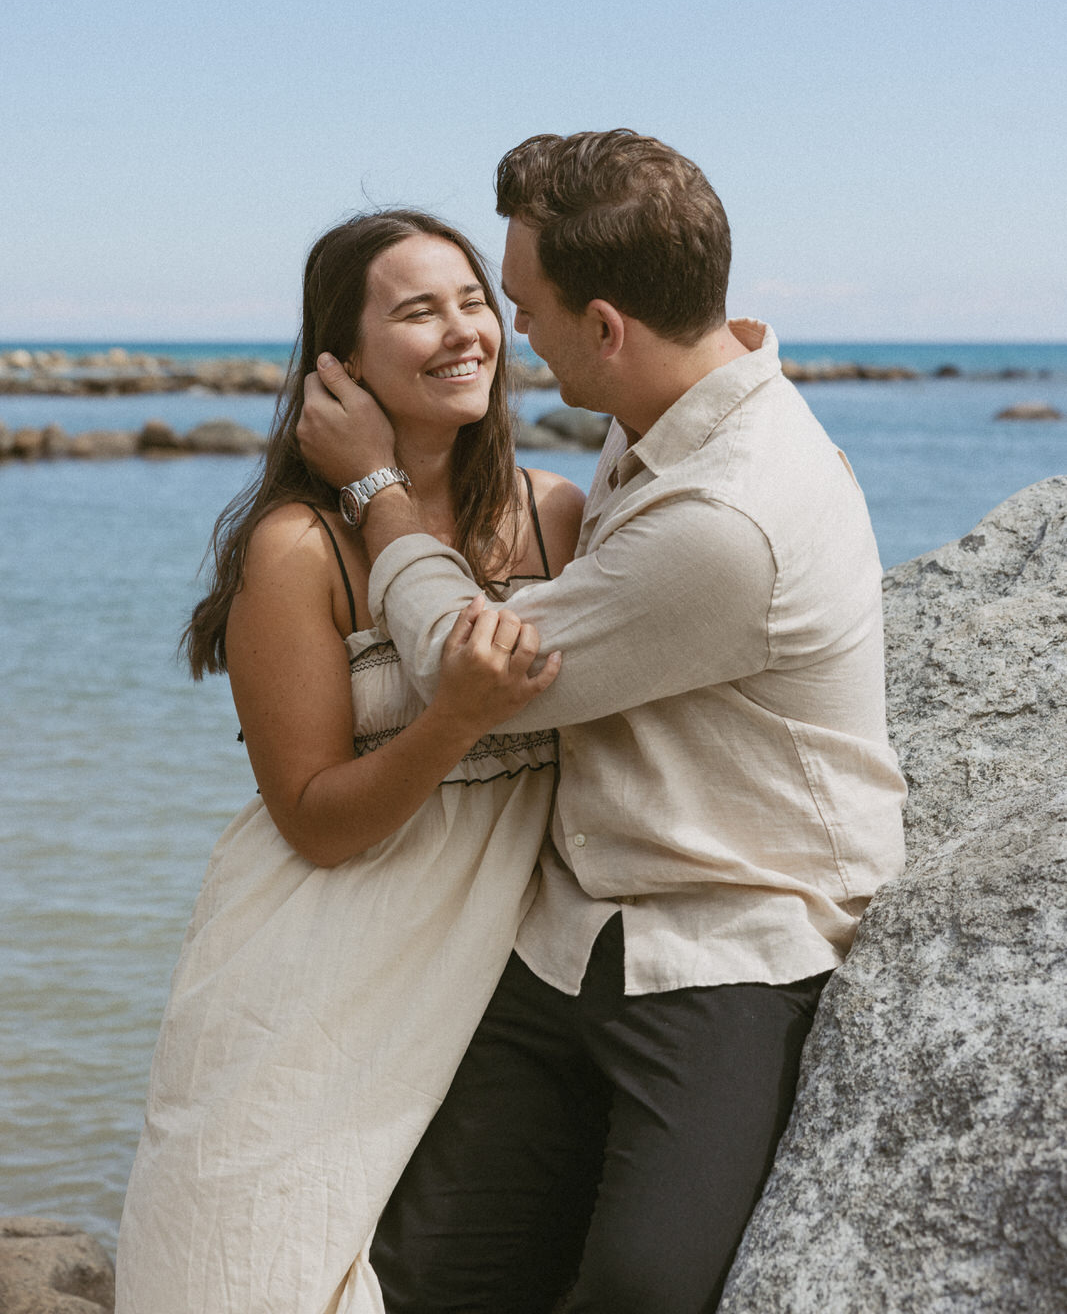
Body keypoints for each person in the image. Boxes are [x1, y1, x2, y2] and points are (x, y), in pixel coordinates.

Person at [296, 130, 910, 1314]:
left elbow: (465, 670)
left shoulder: (732, 514)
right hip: (567, 925)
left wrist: (376, 492)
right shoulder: (660, 407)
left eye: (523, 308)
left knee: (640, 1288)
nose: (512, 333)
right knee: (422, 1272)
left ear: (607, 325)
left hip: (725, 940)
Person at [115, 209, 585, 1314]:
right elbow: (313, 817)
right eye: (417, 310)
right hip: (308, 974)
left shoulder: (553, 513)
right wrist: (454, 716)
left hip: (487, 981)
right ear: (341, 357)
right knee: (244, 1276)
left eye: (474, 300)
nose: (463, 331)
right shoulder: (298, 544)